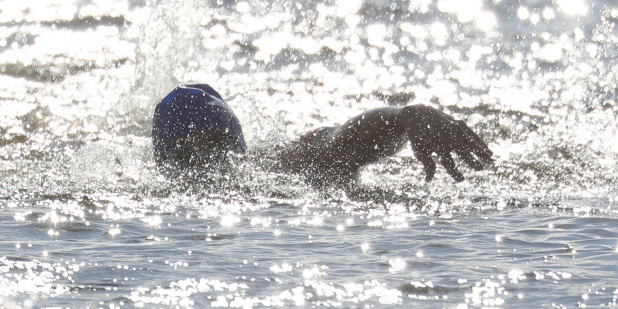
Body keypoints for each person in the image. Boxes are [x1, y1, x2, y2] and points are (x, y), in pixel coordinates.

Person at [152, 83, 492, 185]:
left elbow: (343, 140)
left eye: (217, 146)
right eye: (183, 154)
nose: (205, 164)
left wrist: (406, 117)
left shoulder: (281, 167)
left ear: (239, 146)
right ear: (160, 162)